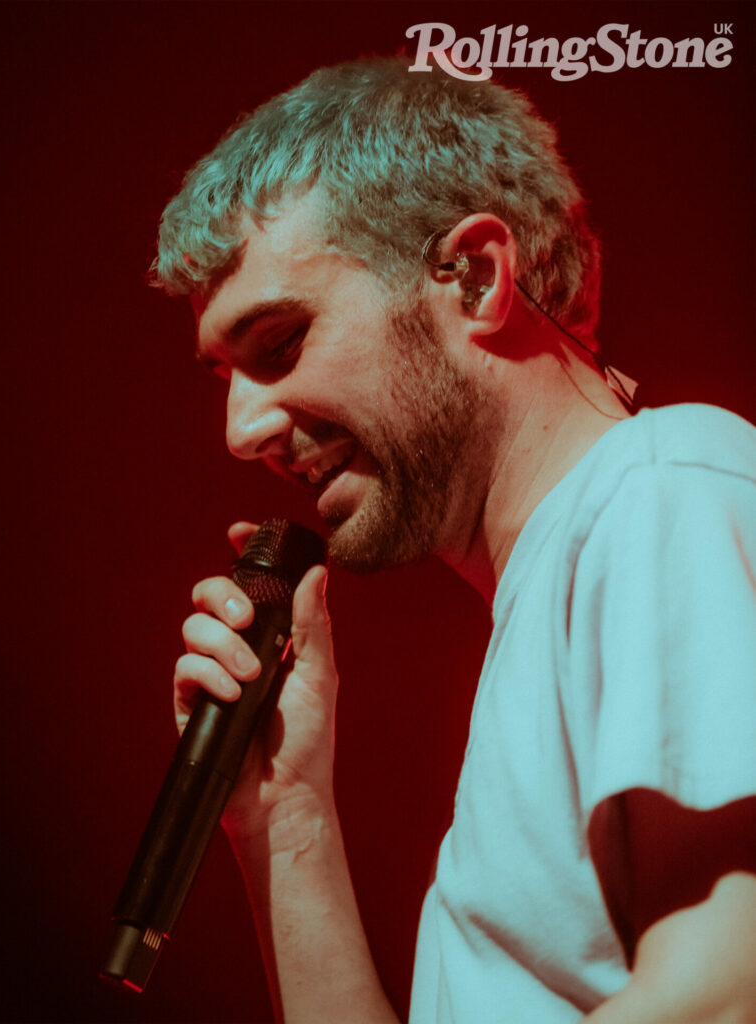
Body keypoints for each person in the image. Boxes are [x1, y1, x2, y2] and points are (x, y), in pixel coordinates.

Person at [152, 59, 756, 1023]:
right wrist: (288, 816)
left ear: (473, 277)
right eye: (223, 373)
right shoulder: (573, 567)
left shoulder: (661, 486)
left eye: (277, 345)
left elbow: (729, 990)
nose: (241, 430)